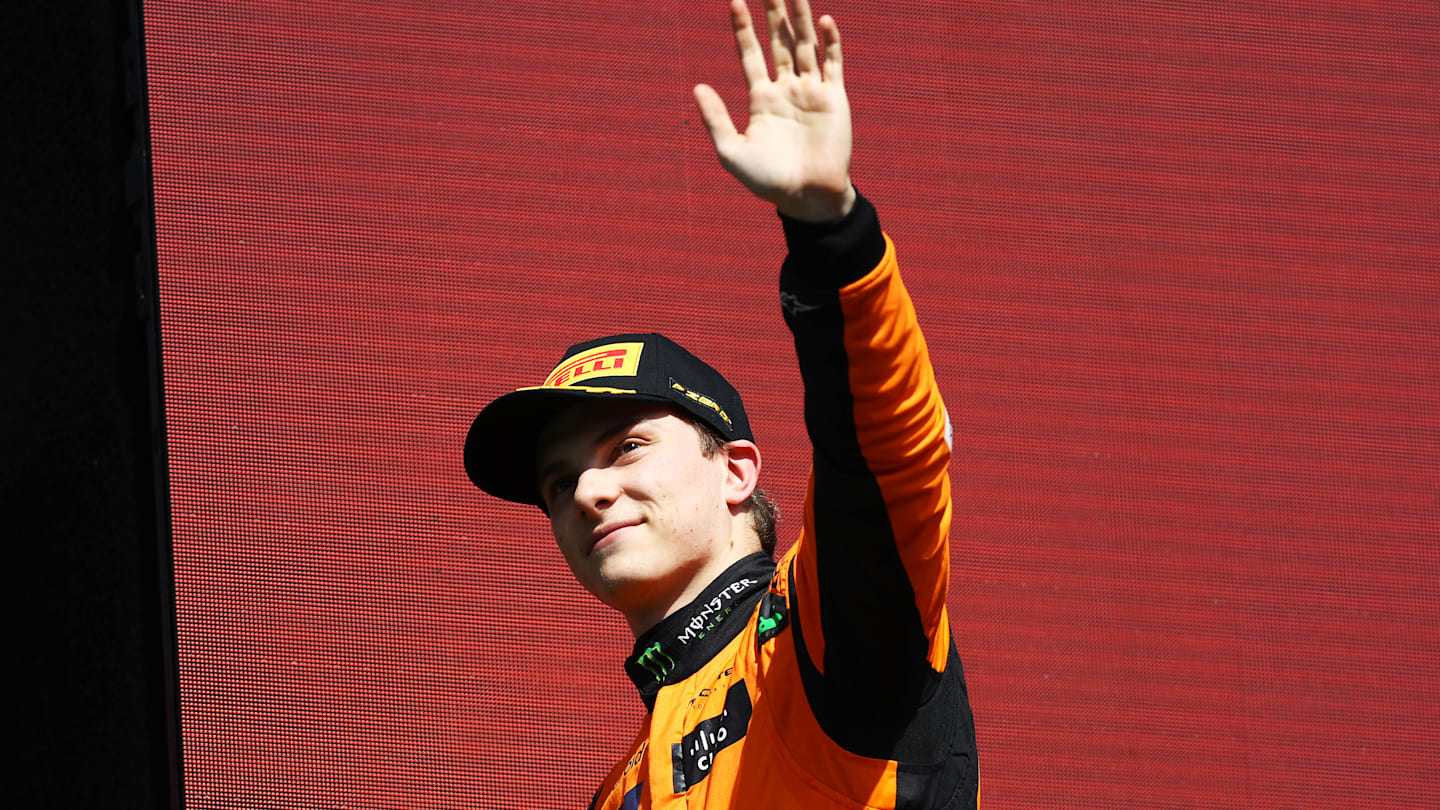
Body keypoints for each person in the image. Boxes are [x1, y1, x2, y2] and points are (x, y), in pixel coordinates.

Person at [463, 0, 979, 805]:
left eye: (625, 447)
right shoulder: (617, 793)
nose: (587, 492)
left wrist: (830, 235)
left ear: (737, 470)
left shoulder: (815, 635)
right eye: (558, 483)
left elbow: (885, 458)